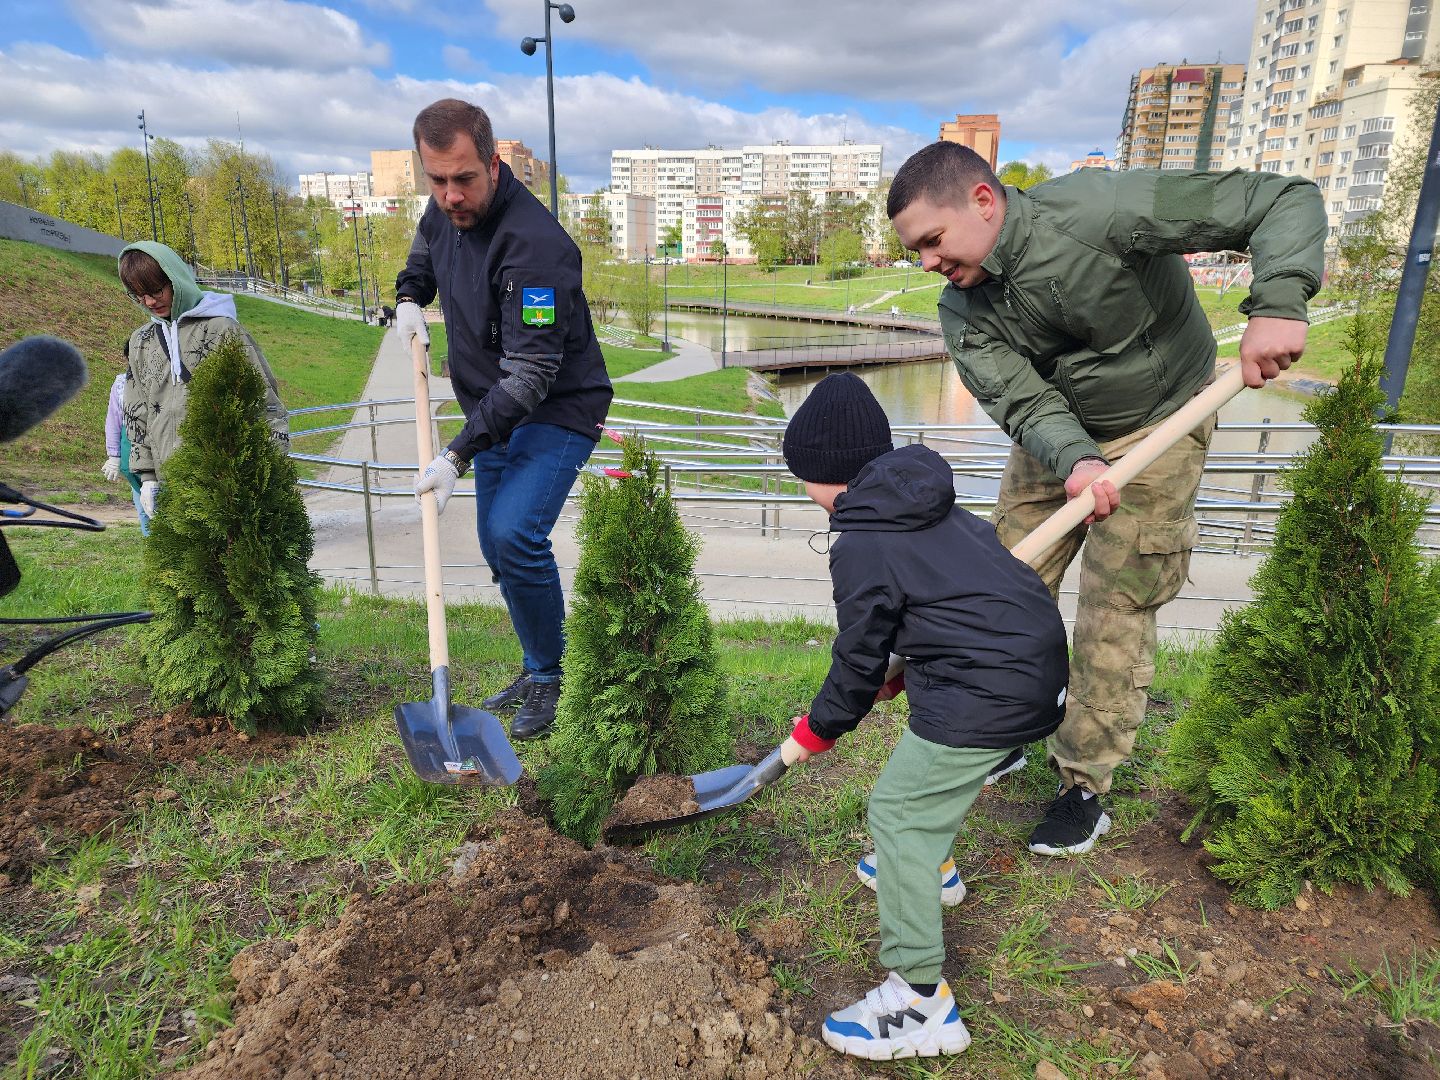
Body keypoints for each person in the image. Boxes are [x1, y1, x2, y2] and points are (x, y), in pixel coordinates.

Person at [887, 142, 1326, 855]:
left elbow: (1282, 199)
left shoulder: (1104, 209)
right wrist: (1079, 459)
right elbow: (1022, 400)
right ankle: (998, 731)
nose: (929, 262)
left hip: (1164, 419)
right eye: (917, 252)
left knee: (1114, 609)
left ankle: (1083, 785)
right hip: (1056, 436)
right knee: (999, 590)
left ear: (983, 200)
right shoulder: (962, 312)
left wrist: (1279, 303)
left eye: (933, 242)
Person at [778, 372, 1068, 1062]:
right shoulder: (924, 502)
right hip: (1029, 672)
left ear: (828, 477)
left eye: (804, 480)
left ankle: (918, 1003)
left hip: (985, 689)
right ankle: (931, 871)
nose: (806, 494)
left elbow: (855, 659)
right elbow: (940, 605)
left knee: (898, 811)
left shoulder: (861, 538)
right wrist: (898, 672)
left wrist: (816, 730)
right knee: (930, 775)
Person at [395, 98, 613, 741]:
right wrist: (409, 297)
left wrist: (456, 453)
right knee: (496, 544)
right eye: (436, 180)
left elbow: (533, 374)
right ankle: (535, 663)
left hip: (556, 407)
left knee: (515, 533)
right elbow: (423, 257)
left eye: (464, 179)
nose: (450, 196)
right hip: (492, 409)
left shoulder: (537, 247)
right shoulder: (441, 214)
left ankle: (551, 676)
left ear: (493, 164)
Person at [118, 241, 289, 519]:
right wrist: (147, 477)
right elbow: (138, 412)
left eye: (156, 290)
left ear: (175, 279)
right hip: (170, 485)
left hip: (227, 483)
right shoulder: (141, 342)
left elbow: (264, 402)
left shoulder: (223, 330)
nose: (149, 302)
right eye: (139, 295)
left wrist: (272, 471)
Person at [102, 366, 149, 535]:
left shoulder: (166, 378)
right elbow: (114, 420)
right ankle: (153, 549)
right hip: (134, 456)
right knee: (144, 508)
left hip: (162, 455)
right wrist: (114, 455)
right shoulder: (122, 383)